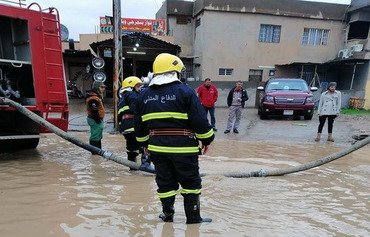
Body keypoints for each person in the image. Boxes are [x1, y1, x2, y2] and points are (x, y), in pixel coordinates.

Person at [134, 53, 215, 224]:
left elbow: (139, 125)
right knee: (191, 182)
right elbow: (200, 120)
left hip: (157, 148)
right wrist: (207, 139)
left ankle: (167, 215)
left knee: (165, 182)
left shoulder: (143, 95)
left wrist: (144, 144)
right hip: (184, 148)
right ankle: (193, 220)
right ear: (175, 71)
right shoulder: (185, 91)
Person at [118, 76, 144, 170]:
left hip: (126, 128)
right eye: (138, 86)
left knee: (131, 148)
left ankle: (132, 169)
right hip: (134, 126)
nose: (140, 88)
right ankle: (146, 167)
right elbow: (137, 110)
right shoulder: (132, 95)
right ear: (132, 86)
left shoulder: (123, 96)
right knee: (144, 145)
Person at [85, 81, 106, 153]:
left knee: (97, 136)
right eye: (101, 87)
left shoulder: (96, 96)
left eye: (104, 87)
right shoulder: (93, 98)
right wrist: (98, 120)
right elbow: (94, 110)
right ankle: (94, 152)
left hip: (96, 119)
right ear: (97, 87)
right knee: (95, 136)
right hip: (94, 119)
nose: (103, 89)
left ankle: (98, 152)